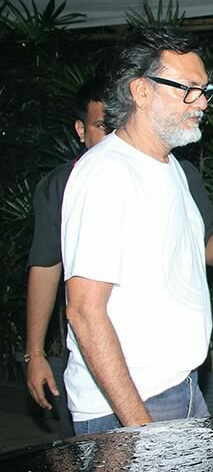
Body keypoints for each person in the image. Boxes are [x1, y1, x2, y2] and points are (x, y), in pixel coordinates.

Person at [61, 27, 213, 435]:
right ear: (142, 92)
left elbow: (194, 259)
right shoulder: (107, 172)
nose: (202, 102)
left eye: (204, 90)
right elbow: (84, 311)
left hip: (180, 389)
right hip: (131, 406)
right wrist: (140, 430)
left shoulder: (172, 168)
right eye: (188, 89)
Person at [25, 77, 112, 412]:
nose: (112, 136)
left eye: (118, 124)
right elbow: (45, 265)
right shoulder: (60, 185)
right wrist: (35, 353)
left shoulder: (161, 172)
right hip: (92, 368)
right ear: (81, 130)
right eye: (102, 126)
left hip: (165, 367)